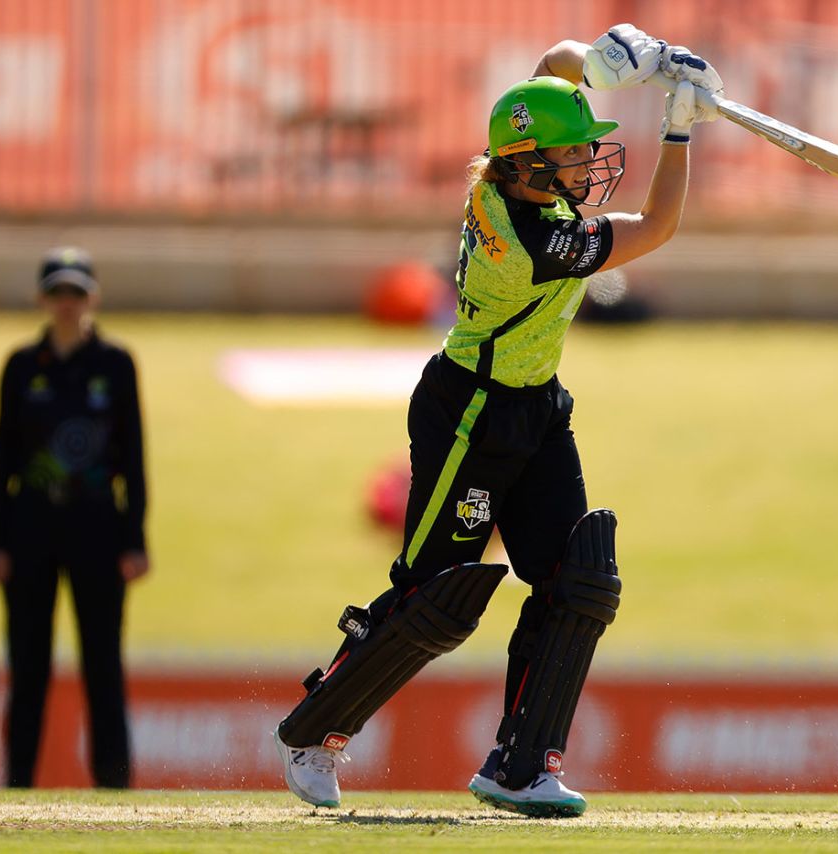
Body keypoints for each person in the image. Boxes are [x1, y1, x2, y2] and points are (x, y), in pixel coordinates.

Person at [273, 24, 722, 817]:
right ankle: (316, 733)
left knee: (577, 583)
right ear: (532, 167)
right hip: (470, 413)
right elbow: (656, 228)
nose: (592, 162)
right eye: (578, 153)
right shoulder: (536, 239)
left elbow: (553, 61)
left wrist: (627, 67)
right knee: (435, 596)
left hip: (538, 407)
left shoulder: (503, 180)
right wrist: (678, 127)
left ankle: (519, 769)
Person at [0, 246, 150, 788]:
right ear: (42, 298)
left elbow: (134, 457)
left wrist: (135, 538)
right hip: (30, 529)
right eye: (57, 292)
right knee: (27, 668)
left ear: (92, 297)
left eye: (76, 292)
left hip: (98, 530)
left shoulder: (115, 364)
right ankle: (17, 785)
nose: (67, 303)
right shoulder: (21, 366)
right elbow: (2, 458)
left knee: (103, 664)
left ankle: (115, 788)